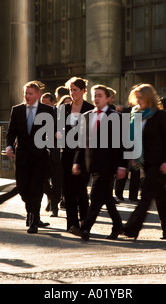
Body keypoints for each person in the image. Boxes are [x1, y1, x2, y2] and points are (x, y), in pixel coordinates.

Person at [123, 84, 166, 240]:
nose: (138, 101)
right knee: (160, 196)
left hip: (159, 163)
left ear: (148, 98)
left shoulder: (160, 116)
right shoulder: (138, 115)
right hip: (147, 162)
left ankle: (131, 228)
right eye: (137, 98)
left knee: (146, 195)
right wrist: (134, 155)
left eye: (141, 98)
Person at [72, 85, 127, 241]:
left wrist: (122, 165)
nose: (96, 98)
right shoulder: (87, 116)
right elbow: (81, 142)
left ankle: (85, 228)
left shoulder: (116, 117)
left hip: (108, 164)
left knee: (95, 196)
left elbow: (121, 144)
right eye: (95, 95)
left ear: (109, 98)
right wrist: (77, 162)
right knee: (107, 198)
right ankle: (117, 226)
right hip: (91, 163)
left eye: (100, 95)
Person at [6, 81, 54, 234]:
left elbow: (52, 132)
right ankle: (30, 211)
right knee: (22, 187)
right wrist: (9, 146)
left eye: (30, 94)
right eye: (25, 93)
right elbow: (11, 131)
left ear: (38, 95)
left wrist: (48, 147)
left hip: (40, 157)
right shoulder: (17, 110)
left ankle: (34, 219)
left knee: (36, 189)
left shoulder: (48, 110)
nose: (27, 96)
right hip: (22, 156)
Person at [58, 77, 94, 233]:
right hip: (66, 154)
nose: (72, 93)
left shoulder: (90, 108)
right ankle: (72, 224)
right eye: (70, 90)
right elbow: (58, 128)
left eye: (75, 90)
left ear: (83, 91)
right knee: (68, 190)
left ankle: (85, 223)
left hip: (84, 154)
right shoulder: (63, 108)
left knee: (81, 189)